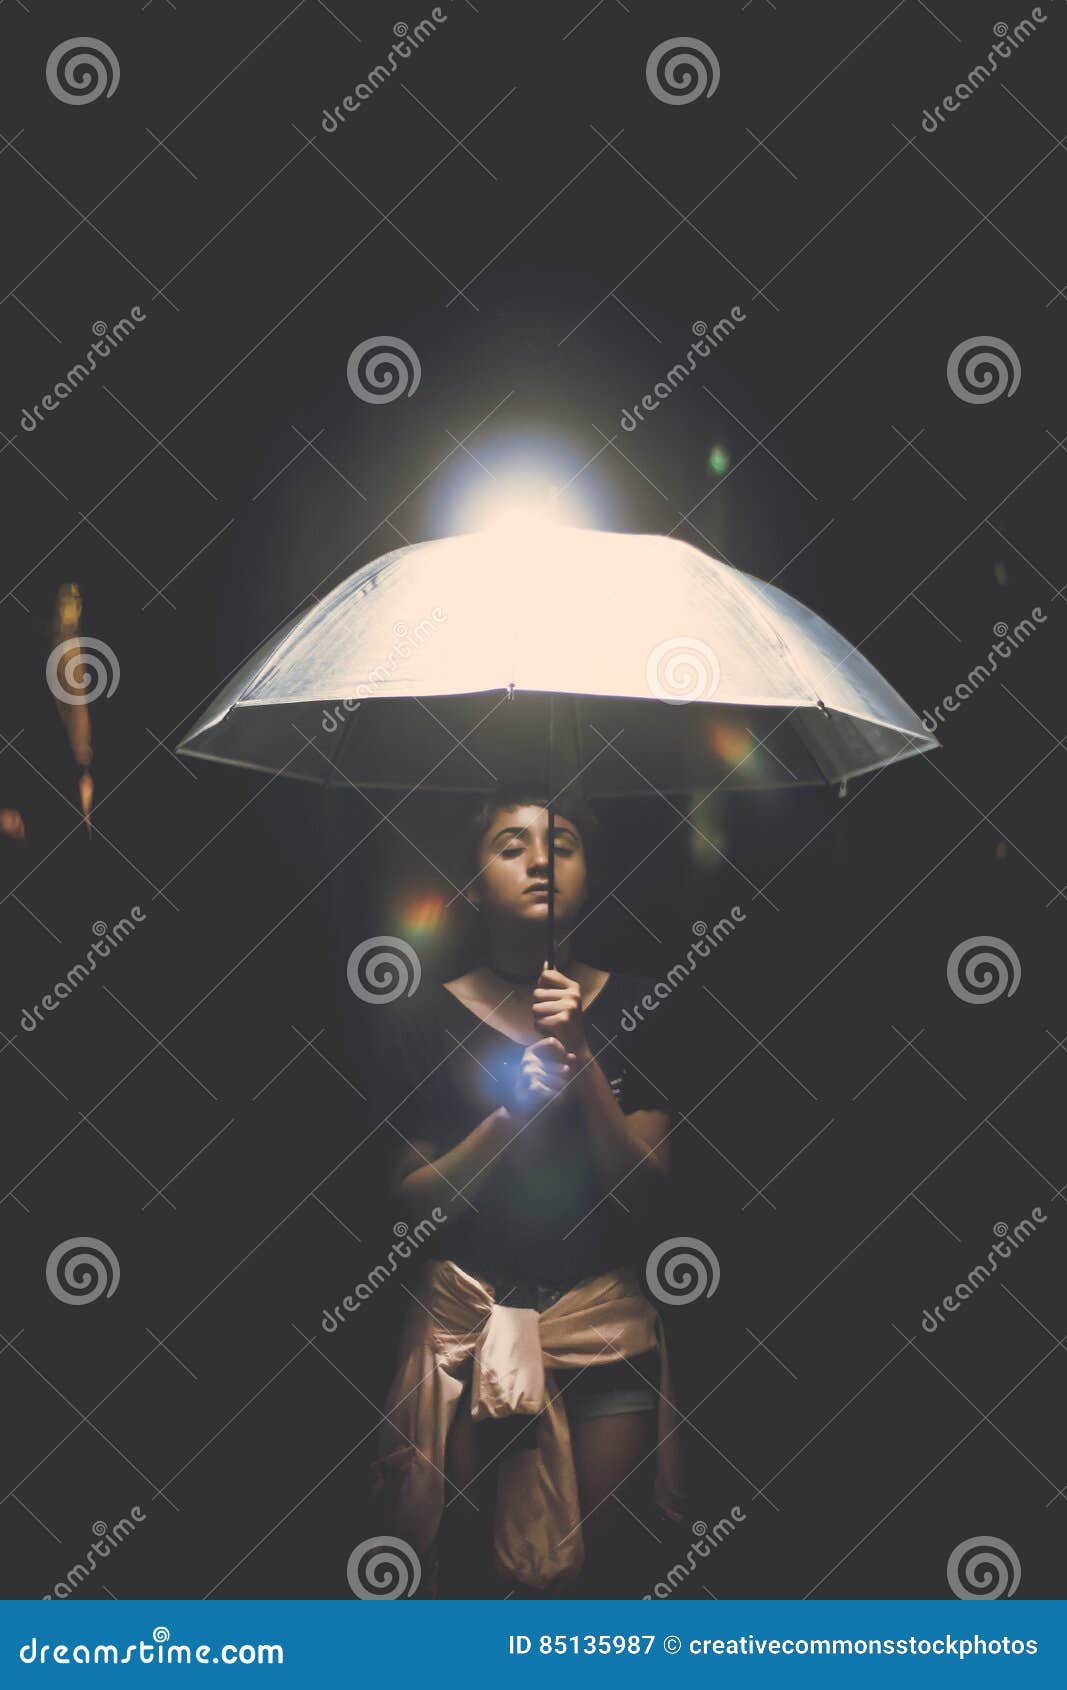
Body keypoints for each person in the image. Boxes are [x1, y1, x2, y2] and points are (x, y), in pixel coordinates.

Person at [367, 783, 685, 1597]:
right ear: (472, 881)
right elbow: (410, 1201)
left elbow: (647, 1193)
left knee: (599, 1585)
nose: (540, 859)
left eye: (563, 843)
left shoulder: (643, 1001)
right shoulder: (422, 1018)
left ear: (590, 872)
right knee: (477, 1585)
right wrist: (509, 1117)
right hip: (470, 1331)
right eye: (511, 845)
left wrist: (581, 1061)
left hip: (601, 1324)